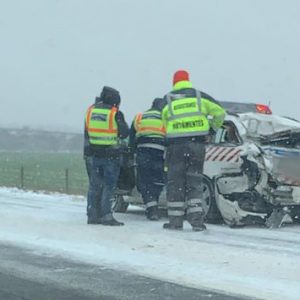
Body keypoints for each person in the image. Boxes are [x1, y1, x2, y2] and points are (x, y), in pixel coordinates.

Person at [162, 70, 226, 231]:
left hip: (176, 146)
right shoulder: (200, 96)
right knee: (195, 182)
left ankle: (175, 222)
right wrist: (212, 129)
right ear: (188, 80)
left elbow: (163, 123)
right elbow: (220, 112)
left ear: (174, 82)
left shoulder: (168, 99)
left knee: (175, 182)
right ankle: (197, 222)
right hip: (196, 145)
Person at [85, 86, 129, 225]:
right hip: (111, 155)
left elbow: (87, 131)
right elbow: (124, 133)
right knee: (109, 187)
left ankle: (92, 215)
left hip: (94, 154)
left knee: (94, 186)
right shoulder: (114, 113)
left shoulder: (90, 111)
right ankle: (106, 215)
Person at [129, 98, 167, 220]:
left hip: (143, 152)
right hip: (160, 153)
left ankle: (152, 207)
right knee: (158, 179)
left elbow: (131, 137)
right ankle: (153, 205)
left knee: (145, 181)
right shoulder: (166, 118)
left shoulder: (140, 117)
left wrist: (131, 152)